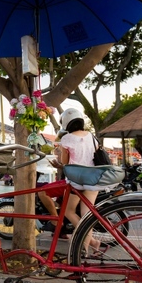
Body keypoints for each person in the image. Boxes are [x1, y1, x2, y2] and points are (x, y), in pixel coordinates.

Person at [40, 107, 103, 256]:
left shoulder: (67, 139)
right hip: (93, 179)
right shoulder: (92, 137)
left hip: (76, 180)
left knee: (68, 211)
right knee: (86, 214)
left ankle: (89, 245)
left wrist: (57, 162)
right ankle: (88, 246)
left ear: (66, 123)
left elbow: (65, 163)